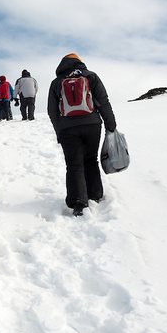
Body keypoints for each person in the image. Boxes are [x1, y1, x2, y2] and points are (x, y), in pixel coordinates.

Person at [47, 53, 117, 217]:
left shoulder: (56, 83)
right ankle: (95, 194)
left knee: (74, 164)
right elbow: (103, 101)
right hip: (92, 124)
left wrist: (60, 131)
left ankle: (78, 202)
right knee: (91, 159)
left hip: (68, 128)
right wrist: (111, 125)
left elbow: (52, 111)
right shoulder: (91, 76)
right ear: (79, 62)